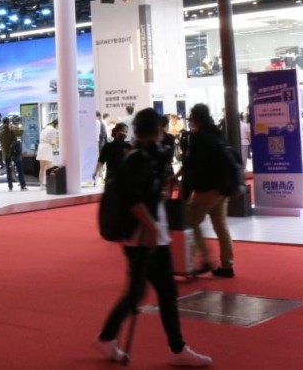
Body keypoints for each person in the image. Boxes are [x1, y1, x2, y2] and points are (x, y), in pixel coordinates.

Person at [94, 109, 212, 367]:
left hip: (150, 235)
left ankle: (173, 347)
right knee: (145, 293)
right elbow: (134, 201)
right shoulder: (138, 159)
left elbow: (144, 195)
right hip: (143, 237)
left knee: (155, 292)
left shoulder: (146, 156)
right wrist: (152, 227)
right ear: (156, 130)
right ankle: (113, 337)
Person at [180, 104, 235, 278]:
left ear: (196, 118)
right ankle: (227, 265)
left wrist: (183, 185)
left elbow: (192, 164)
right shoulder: (218, 132)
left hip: (207, 188)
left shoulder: (199, 136)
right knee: (221, 226)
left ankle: (205, 259)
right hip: (223, 187)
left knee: (190, 220)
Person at [94, 122, 129, 187]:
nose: (124, 134)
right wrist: (96, 172)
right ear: (116, 131)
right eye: (122, 131)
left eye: (126, 132)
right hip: (111, 179)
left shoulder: (128, 146)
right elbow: (101, 161)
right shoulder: (108, 146)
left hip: (125, 179)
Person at [0, 117, 27, 191]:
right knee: (19, 169)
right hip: (15, 152)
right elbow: (21, 131)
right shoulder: (13, 130)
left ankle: (10, 186)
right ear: (9, 122)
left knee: (8, 170)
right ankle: (22, 185)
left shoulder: (1, 133)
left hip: (6, 153)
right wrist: (15, 126)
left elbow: (1, 142)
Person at [37, 119, 59, 190]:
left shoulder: (45, 128)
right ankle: (50, 184)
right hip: (47, 148)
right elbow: (53, 142)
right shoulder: (53, 130)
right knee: (49, 167)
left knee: (42, 168)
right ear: (57, 124)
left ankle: (41, 185)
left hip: (41, 147)